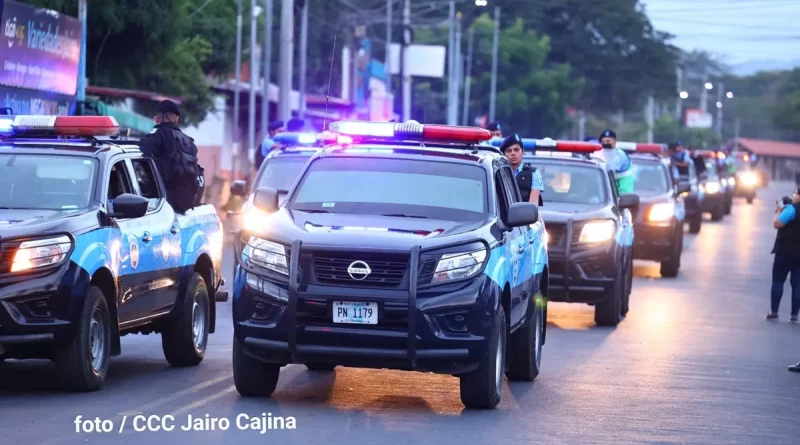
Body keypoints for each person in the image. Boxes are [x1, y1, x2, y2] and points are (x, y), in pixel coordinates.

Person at [138, 100, 205, 214]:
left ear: (158, 118)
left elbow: (141, 151)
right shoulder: (189, 142)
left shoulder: (157, 135)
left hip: (160, 205)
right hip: (186, 204)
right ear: (177, 119)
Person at [767, 188, 800, 323]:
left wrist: (779, 211)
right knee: (798, 284)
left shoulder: (792, 209)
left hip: (784, 251)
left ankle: (774, 312)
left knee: (778, 281)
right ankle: (794, 315)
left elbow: (777, 223)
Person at [500, 134, 544, 205]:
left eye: (516, 150)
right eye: (509, 151)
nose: (513, 153)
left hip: (524, 215)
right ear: (503, 154)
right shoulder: (498, 172)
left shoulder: (533, 173)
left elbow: (533, 205)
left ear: (523, 151)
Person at [593, 129, 634, 194]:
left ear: (615, 142)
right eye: (603, 141)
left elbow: (611, 168)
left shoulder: (620, 155)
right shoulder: (598, 154)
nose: (605, 143)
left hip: (620, 191)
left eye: (608, 141)